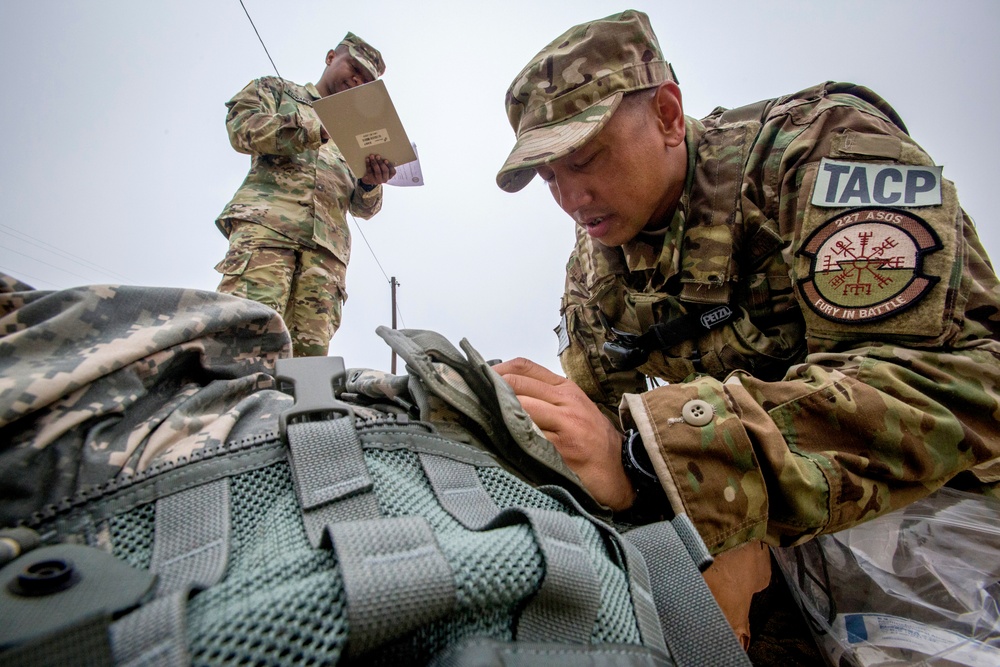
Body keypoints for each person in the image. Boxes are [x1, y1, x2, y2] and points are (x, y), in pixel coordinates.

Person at [492, 8, 1000, 660]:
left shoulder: (818, 152)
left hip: (945, 539)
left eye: (586, 158)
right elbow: (601, 434)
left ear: (669, 116)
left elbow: (956, 391)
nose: (569, 196)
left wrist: (655, 461)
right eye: (548, 176)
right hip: (780, 552)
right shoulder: (595, 274)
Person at [213, 32, 396, 358]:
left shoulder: (360, 131)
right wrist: (313, 128)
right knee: (243, 344)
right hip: (267, 234)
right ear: (330, 58)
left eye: (366, 80)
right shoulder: (277, 91)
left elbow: (364, 208)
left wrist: (370, 183)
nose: (357, 79)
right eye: (353, 67)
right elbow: (241, 128)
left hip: (326, 257)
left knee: (307, 368)